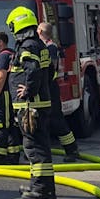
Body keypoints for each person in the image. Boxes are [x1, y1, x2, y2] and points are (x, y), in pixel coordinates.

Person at [8, 6, 56, 199]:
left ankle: (41, 190)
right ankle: (42, 186)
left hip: (30, 106)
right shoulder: (39, 45)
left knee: (34, 148)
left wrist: (28, 90)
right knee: (39, 146)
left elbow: (33, 69)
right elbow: (50, 71)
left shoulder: (27, 46)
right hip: (38, 103)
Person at [36, 21, 83, 163]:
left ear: (41, 32)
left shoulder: (50, 47)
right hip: (45, 87)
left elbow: (51, 67)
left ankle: (72, 149)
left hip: (50, 87)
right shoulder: (46, 47)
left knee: (56, 120)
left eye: (37, 30)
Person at [0, 30, 21, 165]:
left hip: (2, 95)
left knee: (0, 124)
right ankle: (13, 155)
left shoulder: (2, 57)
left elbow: (1, 76)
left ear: (1, 42)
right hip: (8, 94)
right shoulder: (11, 53)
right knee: (10, 125)